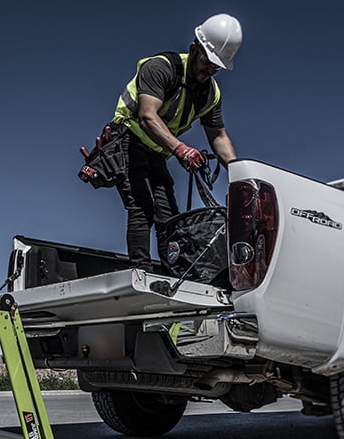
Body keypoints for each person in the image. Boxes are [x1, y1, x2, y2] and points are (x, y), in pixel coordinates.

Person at [94, 14, 242, 270]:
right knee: (141, 207)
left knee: (168, 216)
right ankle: (140, 272)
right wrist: (181, 150)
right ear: (194, 49)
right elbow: (147, 117)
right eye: (207, 63)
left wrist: (240, 173)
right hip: (128, 140)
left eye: (216, 68)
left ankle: (172, 272)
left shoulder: (210, 94)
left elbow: (218, 135)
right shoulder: (161, 67)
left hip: (158, 152)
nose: (209, 72)